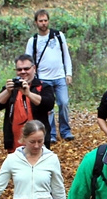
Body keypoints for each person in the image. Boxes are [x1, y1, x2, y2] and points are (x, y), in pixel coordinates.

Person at [25, 9, 73, 142]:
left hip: (59, 76)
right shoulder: (33, 41)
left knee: (64, 103)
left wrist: (68, 73)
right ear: (36, 22)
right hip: (43, 78)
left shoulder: (58, 36)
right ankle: (50, 133)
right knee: (48, 107)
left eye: (45, 20)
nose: (43, 23)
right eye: (40, 21)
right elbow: (28, 61)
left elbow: (66, 55)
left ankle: (65, 131)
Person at [0, 54, 55, 154]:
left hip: (38, 144)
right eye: (19, 69)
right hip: (14, 143)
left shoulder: (43, 86)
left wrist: (28, 94)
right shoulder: (12, 88)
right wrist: (8, 91)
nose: (23, 72)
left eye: (26, 69)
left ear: (34, 68)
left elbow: (48, 104)